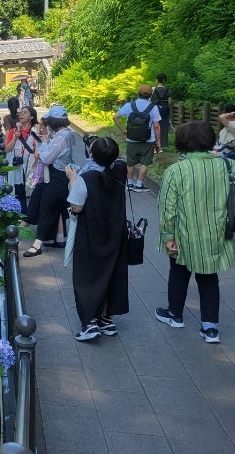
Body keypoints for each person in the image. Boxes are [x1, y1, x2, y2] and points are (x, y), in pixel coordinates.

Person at [156, 120, 235, 343]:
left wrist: (168, 236)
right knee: (209, 278)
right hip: (216, 234)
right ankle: (210, 327)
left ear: (182, 142)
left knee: (178, 274)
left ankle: (175, 315)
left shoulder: (176, 170)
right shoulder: (227, 166)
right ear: (211, 140)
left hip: (184, 234)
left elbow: (167, 208)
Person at [66, 136, 129, 341]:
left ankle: (89, 323)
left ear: (91, 154)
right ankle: (106, 319)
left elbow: (76, 207)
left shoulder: (86, 178)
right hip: (116, 232)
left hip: (91, 233)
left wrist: (72, 178)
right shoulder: (120, 171)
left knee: (87, 277)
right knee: (112, 273)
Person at [23, 104, 83, 257]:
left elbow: (47, 158)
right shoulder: (67, 133)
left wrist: (41, 146)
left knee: (46, 208)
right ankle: (59, 238)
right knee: (55, 207)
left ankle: (37, 245)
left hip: (57, 176)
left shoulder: (61, 137)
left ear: (53, 121)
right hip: (62, 175)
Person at [113, 84, 162, 192]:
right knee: (145, 163)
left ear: (138, 93)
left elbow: (115, 117)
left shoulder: (129, 105)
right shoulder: (153, 107)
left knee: (130, 163)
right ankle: (139, 185)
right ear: (150, 95)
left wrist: (123, 130)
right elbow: (156, 126)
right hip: (148, 140)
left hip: (131, 139)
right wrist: (158, 141)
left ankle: (130, 184)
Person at [4, 105, 39, 212]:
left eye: (25, 112)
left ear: (31, 117)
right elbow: (7, 149)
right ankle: (23, 214)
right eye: (21, 113)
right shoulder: (13, 131)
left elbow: (40, 147)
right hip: (18, 166)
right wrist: (15, 137)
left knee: (33, 190)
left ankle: (32, 214)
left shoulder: (36, 130)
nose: (21, 115)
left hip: (32, 165)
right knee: (19, 191)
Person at [151, 73, 172, 143]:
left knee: (155, 126)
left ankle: (155, 142)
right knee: (164, 126)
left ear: (157, 80)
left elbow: (151, 101)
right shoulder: (168, 90)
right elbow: (169, 102)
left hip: (155, 110)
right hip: (165, 111)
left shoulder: (153, 89)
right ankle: (163, 143)